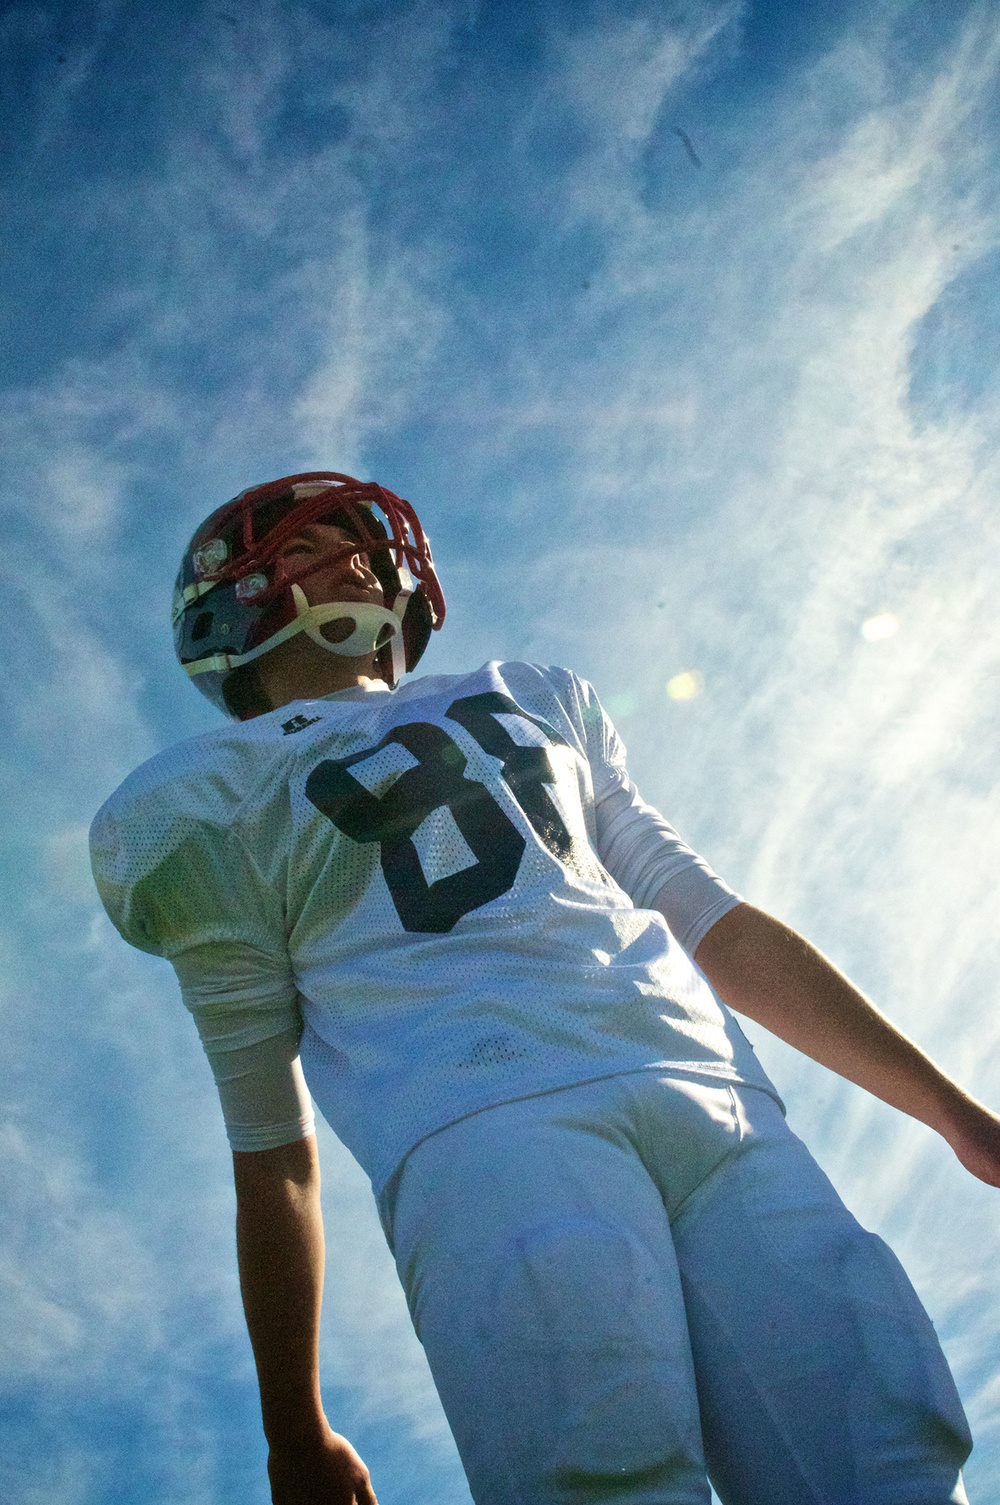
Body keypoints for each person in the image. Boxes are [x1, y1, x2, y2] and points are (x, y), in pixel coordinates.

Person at [90, 471, 998, 1505]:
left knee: (888, 1451)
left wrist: (953, 1111)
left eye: (351, 534)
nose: (345, 551)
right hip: (482, 1123)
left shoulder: (532, 692)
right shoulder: (198, 800)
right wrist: (293, 1422)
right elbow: (270, 1142)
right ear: (232, 602)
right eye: (304, 542)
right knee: (603, 1466)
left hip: (710, 1094)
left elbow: (710, 917)